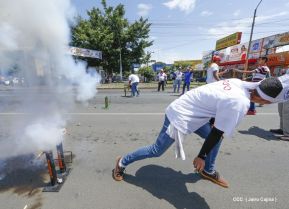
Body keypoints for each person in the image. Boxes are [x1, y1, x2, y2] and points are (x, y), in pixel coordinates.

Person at [113, 75, 289, 188]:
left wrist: (204, 153)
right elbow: (217, 131)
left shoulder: (240, 83)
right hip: (181, 115)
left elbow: (216, 109)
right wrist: (201, 156)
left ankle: (208, 171)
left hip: (196, 113)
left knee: (216, 141)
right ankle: (121, 162)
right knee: (156, 150)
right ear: (264, 100)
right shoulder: (239, 103)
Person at [270, 65, 289, 140]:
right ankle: (282, 129)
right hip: (284, 92)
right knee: (281, 111)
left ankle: (287, 133)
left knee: (287, 112)